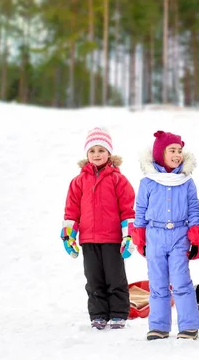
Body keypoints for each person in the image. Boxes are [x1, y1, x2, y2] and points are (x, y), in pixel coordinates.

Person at [132, 130, 199, 341]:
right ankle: (159, 326)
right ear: (159, 154)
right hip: (155, 236)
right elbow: (139, 211)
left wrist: (196, 236)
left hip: (179, 236)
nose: (177, 155)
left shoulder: (186, 181)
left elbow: (193, 209)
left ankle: (189, 326)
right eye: (172, 150)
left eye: (179, 151)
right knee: (157, 283)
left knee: (181, 281)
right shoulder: (148, 182)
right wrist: (140, 236)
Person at [60, 127, 136, 330]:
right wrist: (68, 237)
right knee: (93, 279)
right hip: (88, 239)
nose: (96, 155)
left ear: (109, 153)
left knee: (115, 277)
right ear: (87, 154)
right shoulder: (78, 182)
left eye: (101, 150)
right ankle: (98, 314)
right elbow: (71, 211)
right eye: (92, 151)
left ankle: (119, 314)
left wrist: (129, 236)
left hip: (112, 239)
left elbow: (128, 211)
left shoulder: (119, 180)